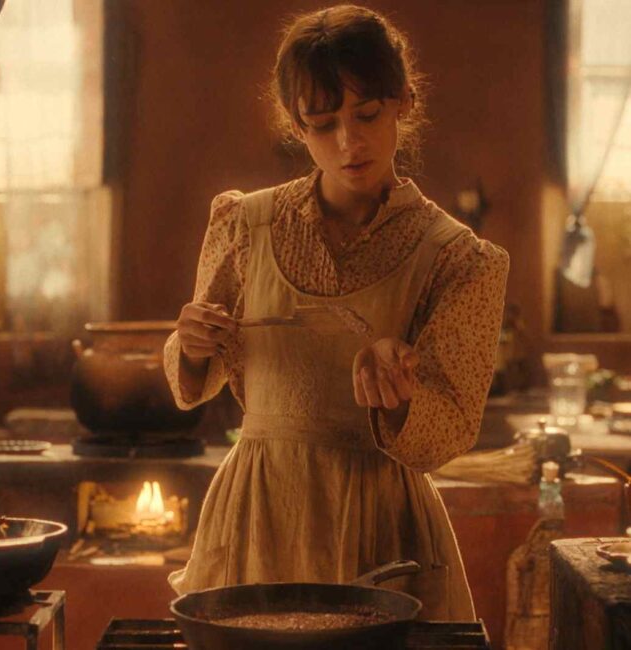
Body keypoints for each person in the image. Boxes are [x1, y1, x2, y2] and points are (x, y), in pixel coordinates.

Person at [164, 4, 509, 621]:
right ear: (297, 126)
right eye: (323, 124)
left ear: (404, 101)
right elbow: (195, 380)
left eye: (367, 115)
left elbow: (452, 427)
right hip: (260, 510)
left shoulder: (457, 258)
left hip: (383, 522)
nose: (349, 142)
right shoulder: (245, 225)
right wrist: (191, 345)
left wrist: (399, 394)